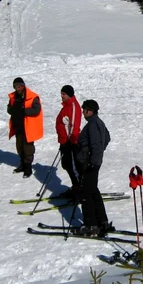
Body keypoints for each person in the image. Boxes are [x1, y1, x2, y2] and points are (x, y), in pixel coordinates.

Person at [74, 100, 114, 237]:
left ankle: (91, 225)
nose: (83, 111)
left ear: (89, 111)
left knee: (86, 193)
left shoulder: (92, 124)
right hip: (93, 162)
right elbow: (107, 138)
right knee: (93, 191)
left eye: (84, 109)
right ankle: (102, 221)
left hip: (90, 164)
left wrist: (92, 159)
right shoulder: (98, 122)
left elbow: (97, 144)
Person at [7, 77, 44, 178]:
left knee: (28, 148)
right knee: (19, 147)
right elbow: (9, 108)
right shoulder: (13, 97)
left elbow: (37, 110)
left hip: (28, 127)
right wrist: (12, 110)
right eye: (16, 87)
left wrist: (24, 111)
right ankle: (22, 165)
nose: (17, 89)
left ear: (23, 86)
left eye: (19, 86)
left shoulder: (33, 96)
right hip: (18, 126)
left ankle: (28, 168)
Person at [55, 85, 81, 199]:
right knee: (66, 165)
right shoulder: (66, 106)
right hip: (64, 142)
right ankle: (75, 186)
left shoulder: (73, 106)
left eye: (64, 94)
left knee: (73, 166)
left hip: (71, 143)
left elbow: (74, 126)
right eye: (61, 93)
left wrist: (70, 141)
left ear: (69, 94)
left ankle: (79, 188)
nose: (61, 96)